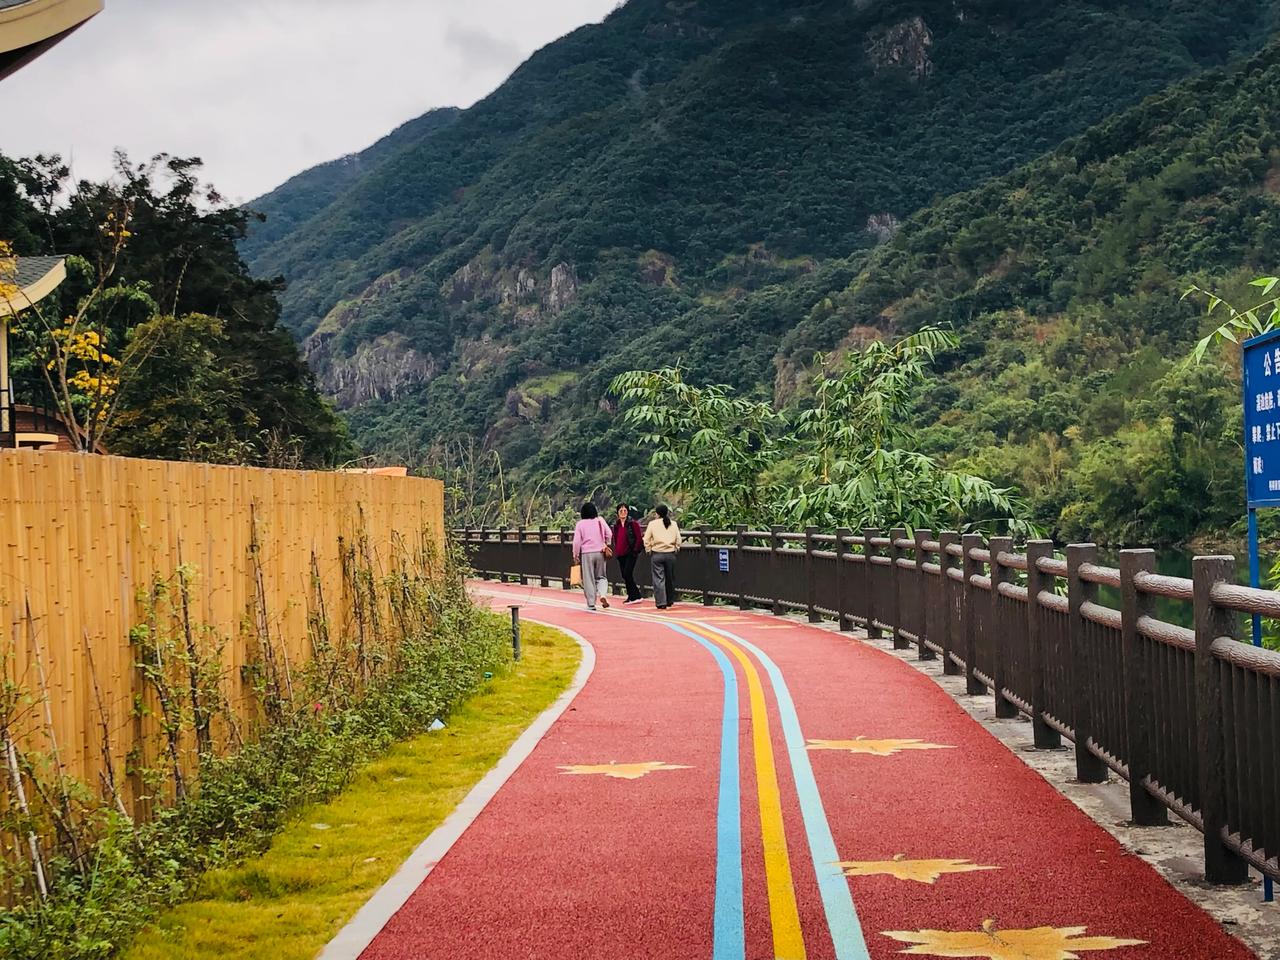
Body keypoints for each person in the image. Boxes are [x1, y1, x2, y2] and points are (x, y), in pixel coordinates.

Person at [571, 502, 612, 611]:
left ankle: (591, 603)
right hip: (600, 552)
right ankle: (603, 594)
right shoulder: (600, 520)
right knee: (602, 576)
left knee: (589, 578)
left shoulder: (580, 524)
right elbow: (610, 534)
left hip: (587, 553)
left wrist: (575, 555)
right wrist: (605, 543)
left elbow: (576, 542)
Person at [644, 504, 682, 609]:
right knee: (670, 578)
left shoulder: (652, 524)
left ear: (657, 513)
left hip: (657, 554)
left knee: (658, 579)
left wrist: (648, 549)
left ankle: (661, 602)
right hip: (670, 554)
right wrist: (676, 547)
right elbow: (678, 539)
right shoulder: (673, 524)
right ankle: (670, 600)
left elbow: (646, 539)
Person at [611, 503, 645, 604]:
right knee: (625, 575)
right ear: (617, 513)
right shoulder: (616, 525)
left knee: (627, 573)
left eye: (625, 511)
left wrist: (635, 550)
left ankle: (636, 595)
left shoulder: (632, 524)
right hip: (620, 554)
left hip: (630, 553)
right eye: (621, 511)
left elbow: (638, 538)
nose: (623, 513)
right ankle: (632, 596)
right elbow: (616, 538)